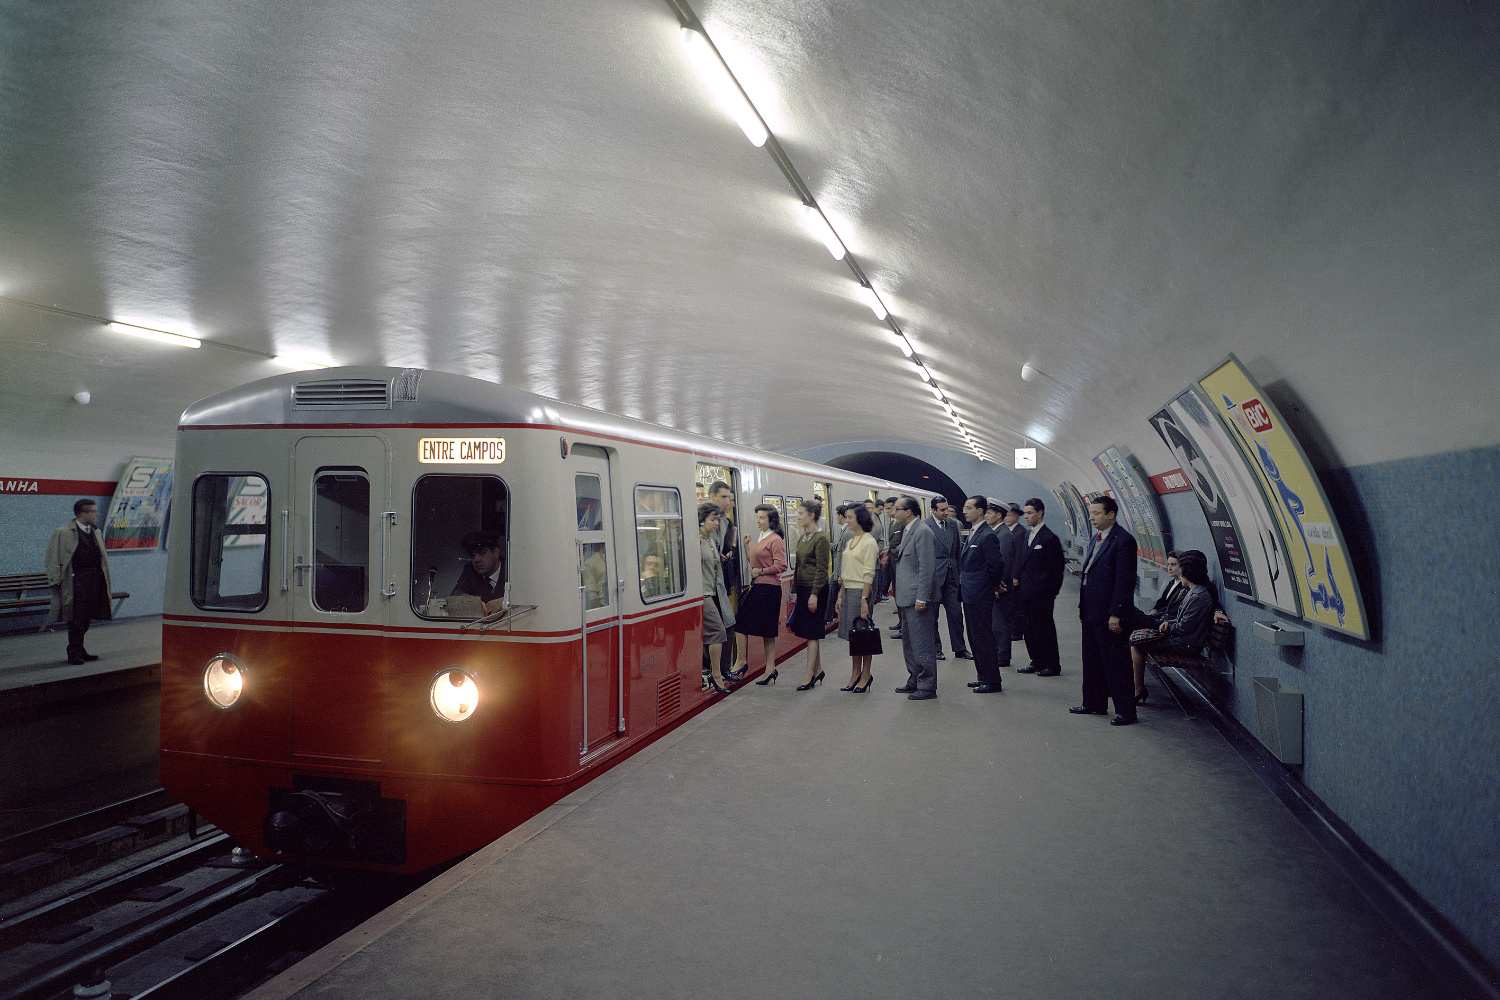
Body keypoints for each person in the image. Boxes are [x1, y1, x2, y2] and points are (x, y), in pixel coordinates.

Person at [1072, 496, 1138, 725]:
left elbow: (1124, 581)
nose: (1091, 518)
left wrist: (1116, 613)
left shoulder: (1124, 541)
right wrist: (1082, 606)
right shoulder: (1096, 538)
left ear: (1111, 514)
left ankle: (1126, 711)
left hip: (1109, 613)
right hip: (1092, 610)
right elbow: (1088, 575)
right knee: (1091, 659)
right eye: (1091, 513)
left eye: (1096, 513)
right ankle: (1094, 703)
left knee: (1115, 662)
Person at [45, 498, 114, 665]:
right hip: (75, 580)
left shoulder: (96, 532)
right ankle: (74, 652)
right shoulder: (62, 532)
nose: (97, 514)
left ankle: (80, 649)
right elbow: (52, 557)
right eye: (93, 511)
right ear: (82, 513)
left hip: (94, 579)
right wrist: (56, 580)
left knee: (88, 615)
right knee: (76, 617)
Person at [891, 497, 940, 700]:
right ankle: (915, 679)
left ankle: (927, 686)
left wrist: (922, 597)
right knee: (910, 643)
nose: (893, 513)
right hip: (906, 597)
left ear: (908, 511)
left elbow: (926, 567)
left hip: (917, 599)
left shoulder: (922, 532)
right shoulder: (909, 530)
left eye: (897, 509)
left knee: (922, 643)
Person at [957, 495, 1006, 693]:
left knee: (984, 638)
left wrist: (992, 586)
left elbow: (997, 565)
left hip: (980, 594)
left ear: (980, 511)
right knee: (975, 637)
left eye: (968, 508)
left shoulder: (987, 535)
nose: (964, 511)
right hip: (970, 593)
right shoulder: (974, 533)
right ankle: (982, 675)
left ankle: (992, 680)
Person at [1013, 498, 1065, 677]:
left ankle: (1052, 664)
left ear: (1040, 513)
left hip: (1042, 593)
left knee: (1045, 628)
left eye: (1029, 513)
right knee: (1029, 629)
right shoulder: (1027, 535)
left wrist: (1051, 592)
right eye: (1025, 513)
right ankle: (1036, 660)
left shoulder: (1049, 538)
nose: (1025, 516)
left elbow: (1057, 569)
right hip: (1026, 591)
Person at [783, 499, 831, 690]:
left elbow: (822, 570)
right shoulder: (804, 538)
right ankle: (818, 670)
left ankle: (808, 675)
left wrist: (814, 594)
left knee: (812, 633)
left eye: (801, 513)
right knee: (810, 632)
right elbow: (799, 567)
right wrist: (794, 589)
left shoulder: (821, 539)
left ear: (812, 515)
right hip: (803, 589)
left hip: (815, 590)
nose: (798, 517)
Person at [737, 504, 787, 683]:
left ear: (771, 520)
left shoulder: (775, 539)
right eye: (757, 517)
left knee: (742, 622)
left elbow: (781, 565)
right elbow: (754, 561)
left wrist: (762, 572)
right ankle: (769, 669)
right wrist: (747, 546)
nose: (758, 521)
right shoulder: (763, 537)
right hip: (761, 587)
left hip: (768, 589)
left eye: (762, 518)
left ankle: (742, 662)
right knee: (765, 630)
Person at [835, 504, 879, 693]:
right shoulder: (852, 539)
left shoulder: (869, 542)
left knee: (863, 635)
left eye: (850, 517)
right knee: (854, 636)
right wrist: (840, 593)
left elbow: (869, 573)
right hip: (848, 590)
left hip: (861, 592)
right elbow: (846, 569)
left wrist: (864, 599)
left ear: (859, 518)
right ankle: (855, 673)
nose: (847, 520)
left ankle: (866, 673)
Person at [710, 481, 749, 679]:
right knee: (721, 626)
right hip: (709, 586)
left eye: (730, 498)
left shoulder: (726, 522)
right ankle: (717, 670)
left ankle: (722, 669)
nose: (729, 502)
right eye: (724, 497)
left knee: (726, 625)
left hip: (721, 582)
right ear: (712, 497)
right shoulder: (704, 518)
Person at [924, 496, 968, 661]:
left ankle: (960, 648)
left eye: (947, 510)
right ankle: (936, 649)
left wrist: (958, 571)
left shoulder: (953, 525)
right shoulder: (925, 526)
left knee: (956, 614)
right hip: (934, 578)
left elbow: (956, 550)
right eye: (942, 510)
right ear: (933, 510)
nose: (946, 513)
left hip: (951, 577)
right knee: (932, 616)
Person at [697, 502, 734, 694]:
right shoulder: (697, 541)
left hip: (711, 593)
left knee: (714, 634)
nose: (717, 523)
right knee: (719, 633)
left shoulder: (710, 540)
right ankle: (716, 674)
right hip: (702, 595)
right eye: (713, 519)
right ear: (702, 519)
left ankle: (713, 673)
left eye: (718, 520)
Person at [983, 499, 1017, 672]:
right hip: (997, 586)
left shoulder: (1003, 535)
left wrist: (997, 587)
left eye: (989, 513)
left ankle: (1002, 655)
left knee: (1000, 622)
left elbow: (1003, 563)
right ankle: (999, 653)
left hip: (1001, 587)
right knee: (997, 621)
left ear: (998, 515)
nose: (986, 516)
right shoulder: (997, 532)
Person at [451, 531, 507, 613]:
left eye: (482, 553)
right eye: (473, 554)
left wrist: (504, 601)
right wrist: (472, 602)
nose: (476, 559)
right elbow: (455, 596)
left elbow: (528, 596)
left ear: (496, 553)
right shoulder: (470, 570)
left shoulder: (511, 568)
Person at [1002, 504, 1027, 641]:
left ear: (1016, 516)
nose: (1006, 518)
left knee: (1015, 604)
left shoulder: (1020, 532)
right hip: (1009, 573)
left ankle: (1017, 631)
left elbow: (1018, 556)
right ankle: (1013, 629)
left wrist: (1016, 576)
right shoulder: (1010, 530)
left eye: (1009, 515)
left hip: (1014, 574)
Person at [827, 504, 850, 624]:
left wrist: (840, 573)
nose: (835, 517)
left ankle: (828, 617)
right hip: (838, 571)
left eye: (836, 515)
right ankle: (829, 617)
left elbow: (844, 553)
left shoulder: (847, 532)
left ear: (840, 516)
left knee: (832, 591)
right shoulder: (843, 530)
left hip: (842, 573)